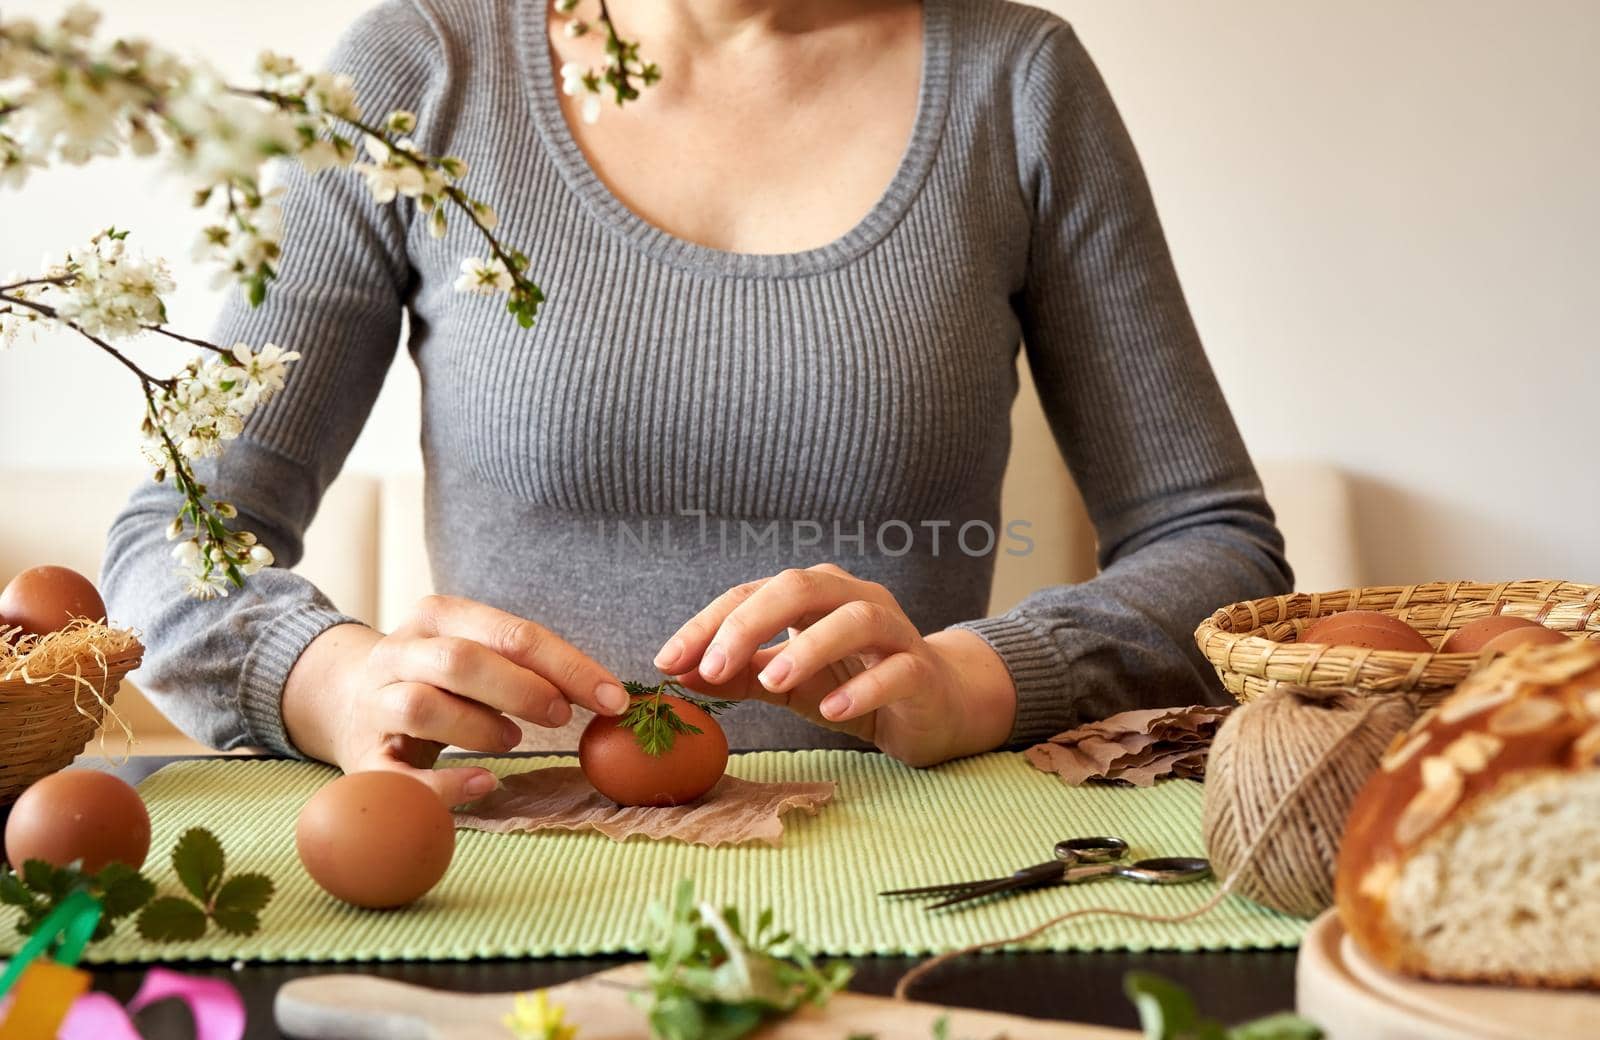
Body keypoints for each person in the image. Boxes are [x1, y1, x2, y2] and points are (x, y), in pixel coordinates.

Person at [103, 0, 1291, 806]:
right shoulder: (419, 71)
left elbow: (1218, 549)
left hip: (911, 852)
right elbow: (172, 535)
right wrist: (331, 679)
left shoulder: (1017, 81)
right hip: (503, 859)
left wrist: (977, 678)